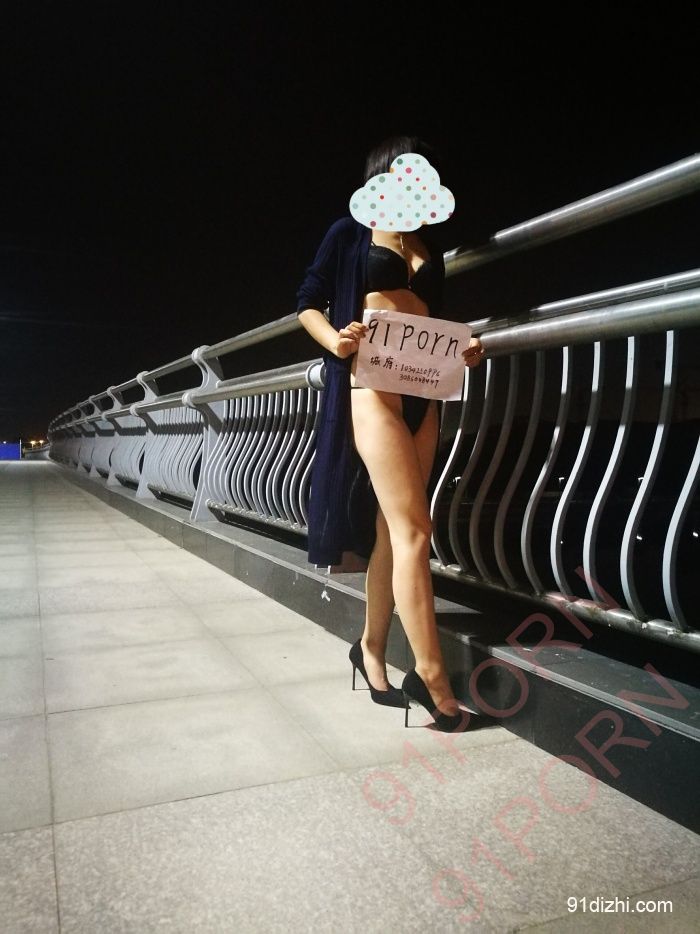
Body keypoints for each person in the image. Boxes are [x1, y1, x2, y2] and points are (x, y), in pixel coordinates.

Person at [296, 135, 485, 731]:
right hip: (371, 386)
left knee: (391, 529)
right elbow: (307, 301)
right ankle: (431, 678)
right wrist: (336, 341)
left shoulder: (428, 243)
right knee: (415, 530)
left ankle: (371, 650)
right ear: (384, 175)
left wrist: (465, 347)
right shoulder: (350, 232)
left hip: (423, 391)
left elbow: (432, 318)